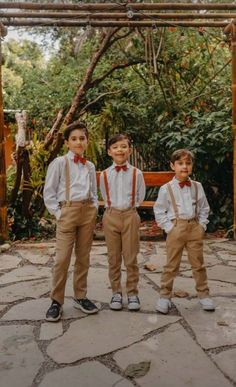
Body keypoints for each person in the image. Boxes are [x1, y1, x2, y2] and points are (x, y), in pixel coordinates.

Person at [43, 122, 98, 321]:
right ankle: (56, 301)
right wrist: (59, 214)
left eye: (82, 138)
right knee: (62, 259)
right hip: (67, 211)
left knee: (83, 257)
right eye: (74, 139)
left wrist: (94, 208)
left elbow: (93, 191)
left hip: (87, 212)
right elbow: (49, 192)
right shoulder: (59, 163)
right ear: (67, 142)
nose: (78, 142)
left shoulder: (90, 166)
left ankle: (80, 296)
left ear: (87, 141)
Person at [153, 148, 215, 314]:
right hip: (176, 228)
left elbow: (204, 208)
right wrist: (169, 228)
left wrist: (202, 225)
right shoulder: (167, 188)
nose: (184, 167)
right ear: (173, 166)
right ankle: (164, 296)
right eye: (180, 163)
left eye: (188, 163)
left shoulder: (197, 186)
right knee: (171, 265)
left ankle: (204, 295)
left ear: (192, 166)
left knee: (198, 264)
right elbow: (159, 210)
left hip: (194, 227)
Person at [100, 133, 146, 311]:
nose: (120, 150)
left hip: (130, 215)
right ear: (109, 152)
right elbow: (104, 194)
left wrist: (130, 209)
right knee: (113, 257)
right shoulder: (104, 175)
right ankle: (116, 292)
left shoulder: (137, 173)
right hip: (110, 216)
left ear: (130, 150)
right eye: (115, 147)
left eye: (123, 146)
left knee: (131, 256)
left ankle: (133, 293)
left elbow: (140, 196)